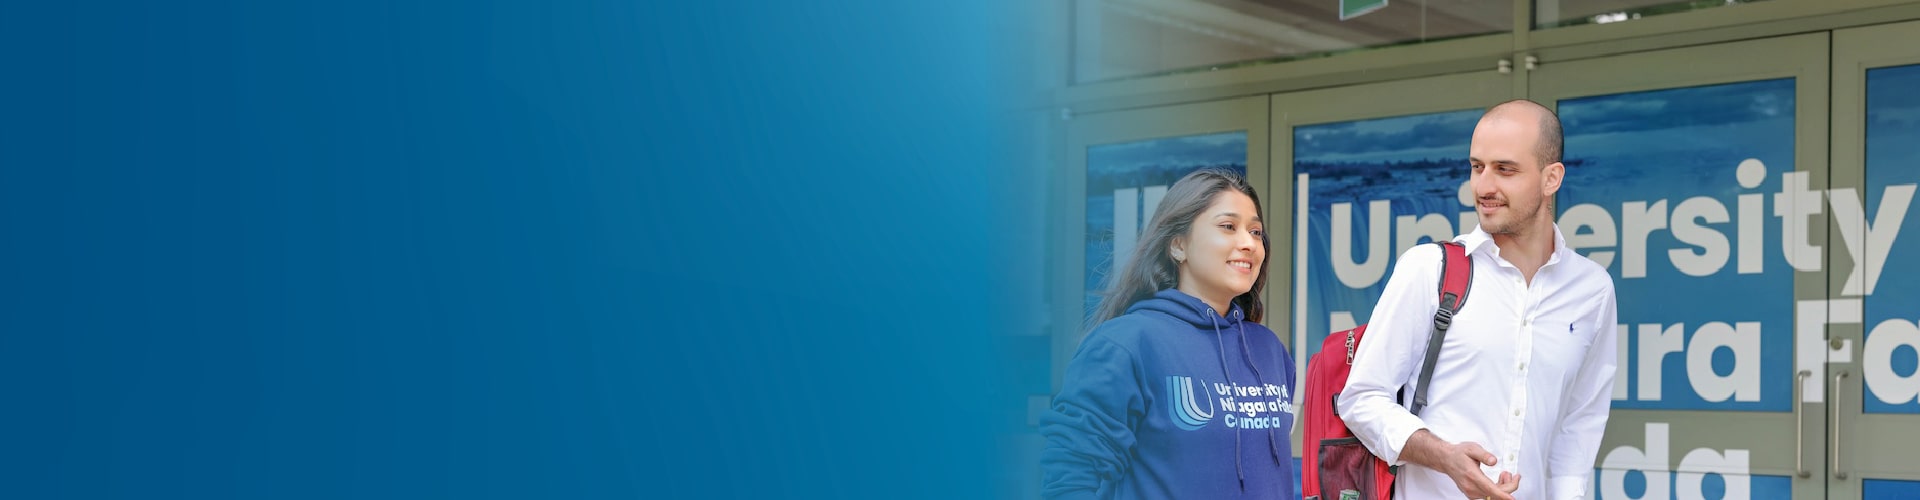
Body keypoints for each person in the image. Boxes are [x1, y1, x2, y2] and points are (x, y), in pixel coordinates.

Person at [1337, 99, 1619, 500]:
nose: (1484, 186)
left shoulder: (1592, 290)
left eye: (1505, 169)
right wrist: (1444, 456)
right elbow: (1361, 399)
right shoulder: (1428, 269)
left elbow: (1579, 423)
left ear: (1551, 177)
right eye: (1476, 167)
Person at [1040, 168, 1296, 500]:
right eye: (1228, 227)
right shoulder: (1127, 344)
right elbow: (1068, 480)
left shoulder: (1268, 349)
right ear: (1178, 246)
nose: (1248, 243)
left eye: (1256, 231)